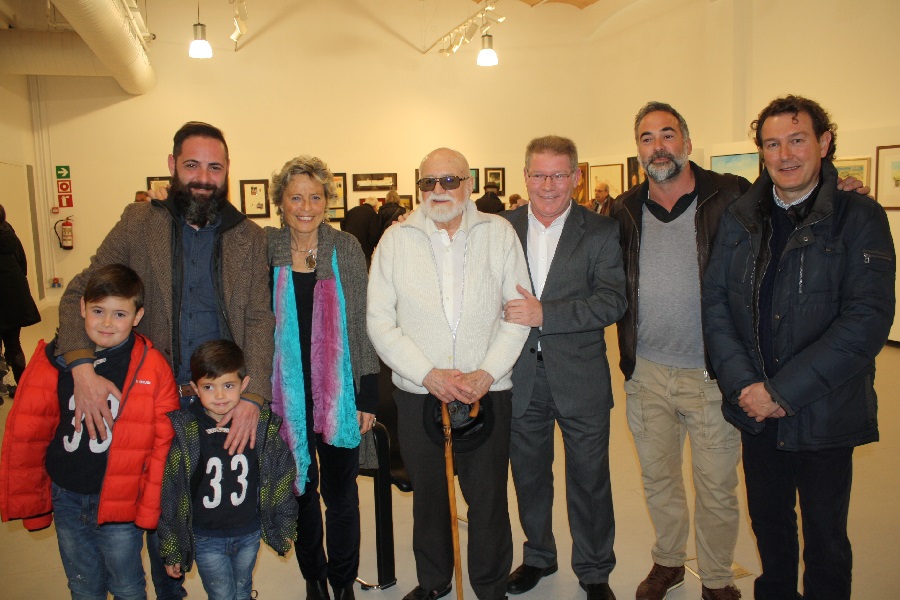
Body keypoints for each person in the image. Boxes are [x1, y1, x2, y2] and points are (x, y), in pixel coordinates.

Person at [56, 121, 275, 600]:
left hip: (218, 401)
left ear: (228, 173)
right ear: (172, 165)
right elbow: (82, 289)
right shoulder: (139, 223)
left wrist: (253, 398)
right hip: (150, 398)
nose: (203, 176)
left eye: (214, 167)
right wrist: (81, 367)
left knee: (214, 512)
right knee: (155, 508)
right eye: (192, 164)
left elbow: (260, 319)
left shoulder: (249, 237)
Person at [702, 95, 895, 600]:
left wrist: (781, 392)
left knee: (827, 542)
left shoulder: (860, 217)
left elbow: (866, 322)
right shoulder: (741, 217)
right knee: (770, 528)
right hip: (755, 412)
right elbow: (717, 304)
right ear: (760, 152)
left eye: (797, 139)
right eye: (772, 143)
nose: (785, 154)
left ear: (824, 143)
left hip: (825, 413)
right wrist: (745, 385)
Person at [367, 147, 531, 600]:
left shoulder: (499, 235)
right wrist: (428, 375)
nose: (438, 190)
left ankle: (490, 585)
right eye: (429, 182)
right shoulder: (395, 241)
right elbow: (379, 321)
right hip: (420, 393)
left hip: (488, 391)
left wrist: (487, 372)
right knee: (430, 500)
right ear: (419, 187)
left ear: (469, 184)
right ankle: (434, 581)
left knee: (488, 499)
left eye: (449, 180)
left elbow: (517, 314)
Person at [610, 102, 749, 600]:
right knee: (659, 479)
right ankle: (668, 560)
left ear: (687, 143)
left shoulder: (732, 195)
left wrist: (838, 188)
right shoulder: (624, 209)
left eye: (668, 135)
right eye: (647, 138)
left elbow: (792, 208)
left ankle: (715, 578)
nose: (658, 146)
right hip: (646, 373)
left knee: (716, 487)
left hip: (712, 374)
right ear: (639, 150)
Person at [0, 264, 179, 599]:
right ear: (81, 308)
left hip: (121, 502)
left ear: (138, 316)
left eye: (119, 314)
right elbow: (30, 432)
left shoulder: (151, 366)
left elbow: (163, 444)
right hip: (66, 494)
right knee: (82, 583)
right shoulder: (53, 361)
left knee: (127, 585)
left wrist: (151, 506)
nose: (108, 323)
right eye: (98, 311)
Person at [500, 135, 626, 600]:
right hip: (519, 379)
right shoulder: (501, 227)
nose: (547, 185)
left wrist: (545, 314)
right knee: (529, 475)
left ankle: (594, 570)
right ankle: (538, 556)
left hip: (581, 378)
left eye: (558, 175)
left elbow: (612, 301)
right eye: (538, 175)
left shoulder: (600, 232)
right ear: (525, 177)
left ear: (576, 177)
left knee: (590, 479)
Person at [267, 155, 381, 600]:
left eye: (315, 196)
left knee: (342, 497)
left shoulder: (345, 247)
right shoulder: (268, 248)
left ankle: (342, 582)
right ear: (280, 202)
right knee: (300, 491)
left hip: (339, 395)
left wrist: (367, 395)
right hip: (286, 397)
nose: (306, 206)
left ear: (328, 202)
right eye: (296, 196)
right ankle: (314, 578)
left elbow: (361, 322)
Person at [159, 339, 298, 600]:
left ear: (244, 385)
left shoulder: (261, 429)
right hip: (206, 537)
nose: (220, 396)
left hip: (249, 532)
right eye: (209, 387)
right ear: (195, 389)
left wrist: (286, 526)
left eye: (229, 386)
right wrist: (172, 548)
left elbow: (282, 477)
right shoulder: (188, 432)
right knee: (222, 593)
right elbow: (171, 493)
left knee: (243, 588)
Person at [0, 202, 41, 402]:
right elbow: (22, 265)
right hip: (13, 299)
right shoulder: (10, 235)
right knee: (14, 344)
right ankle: (21, 385)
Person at [341, 196, 380, 266]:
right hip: (364, 250)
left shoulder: (352, 211)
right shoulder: (373, 214)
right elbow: (373, 235)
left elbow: (342, 223)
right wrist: (372, 246)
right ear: (374, 206)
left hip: (348, 246)